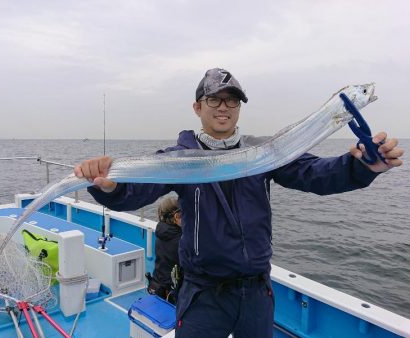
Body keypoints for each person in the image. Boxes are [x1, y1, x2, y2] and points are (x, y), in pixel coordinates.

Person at [74, 68, 404, 338]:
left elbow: (314, 173)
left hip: (256, 293)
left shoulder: (265, 153)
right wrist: (109, 187)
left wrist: (360, 167)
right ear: (197, 107)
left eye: (231, 100)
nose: (223, 107)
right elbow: (135, 192)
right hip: (202, 294)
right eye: (214, 99)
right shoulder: (179, 160)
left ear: (239, 108)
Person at [146, 196, 182, 304]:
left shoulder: (161, 232)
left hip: (158, 283)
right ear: (176, 217)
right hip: (171, 290)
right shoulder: (180, 239)